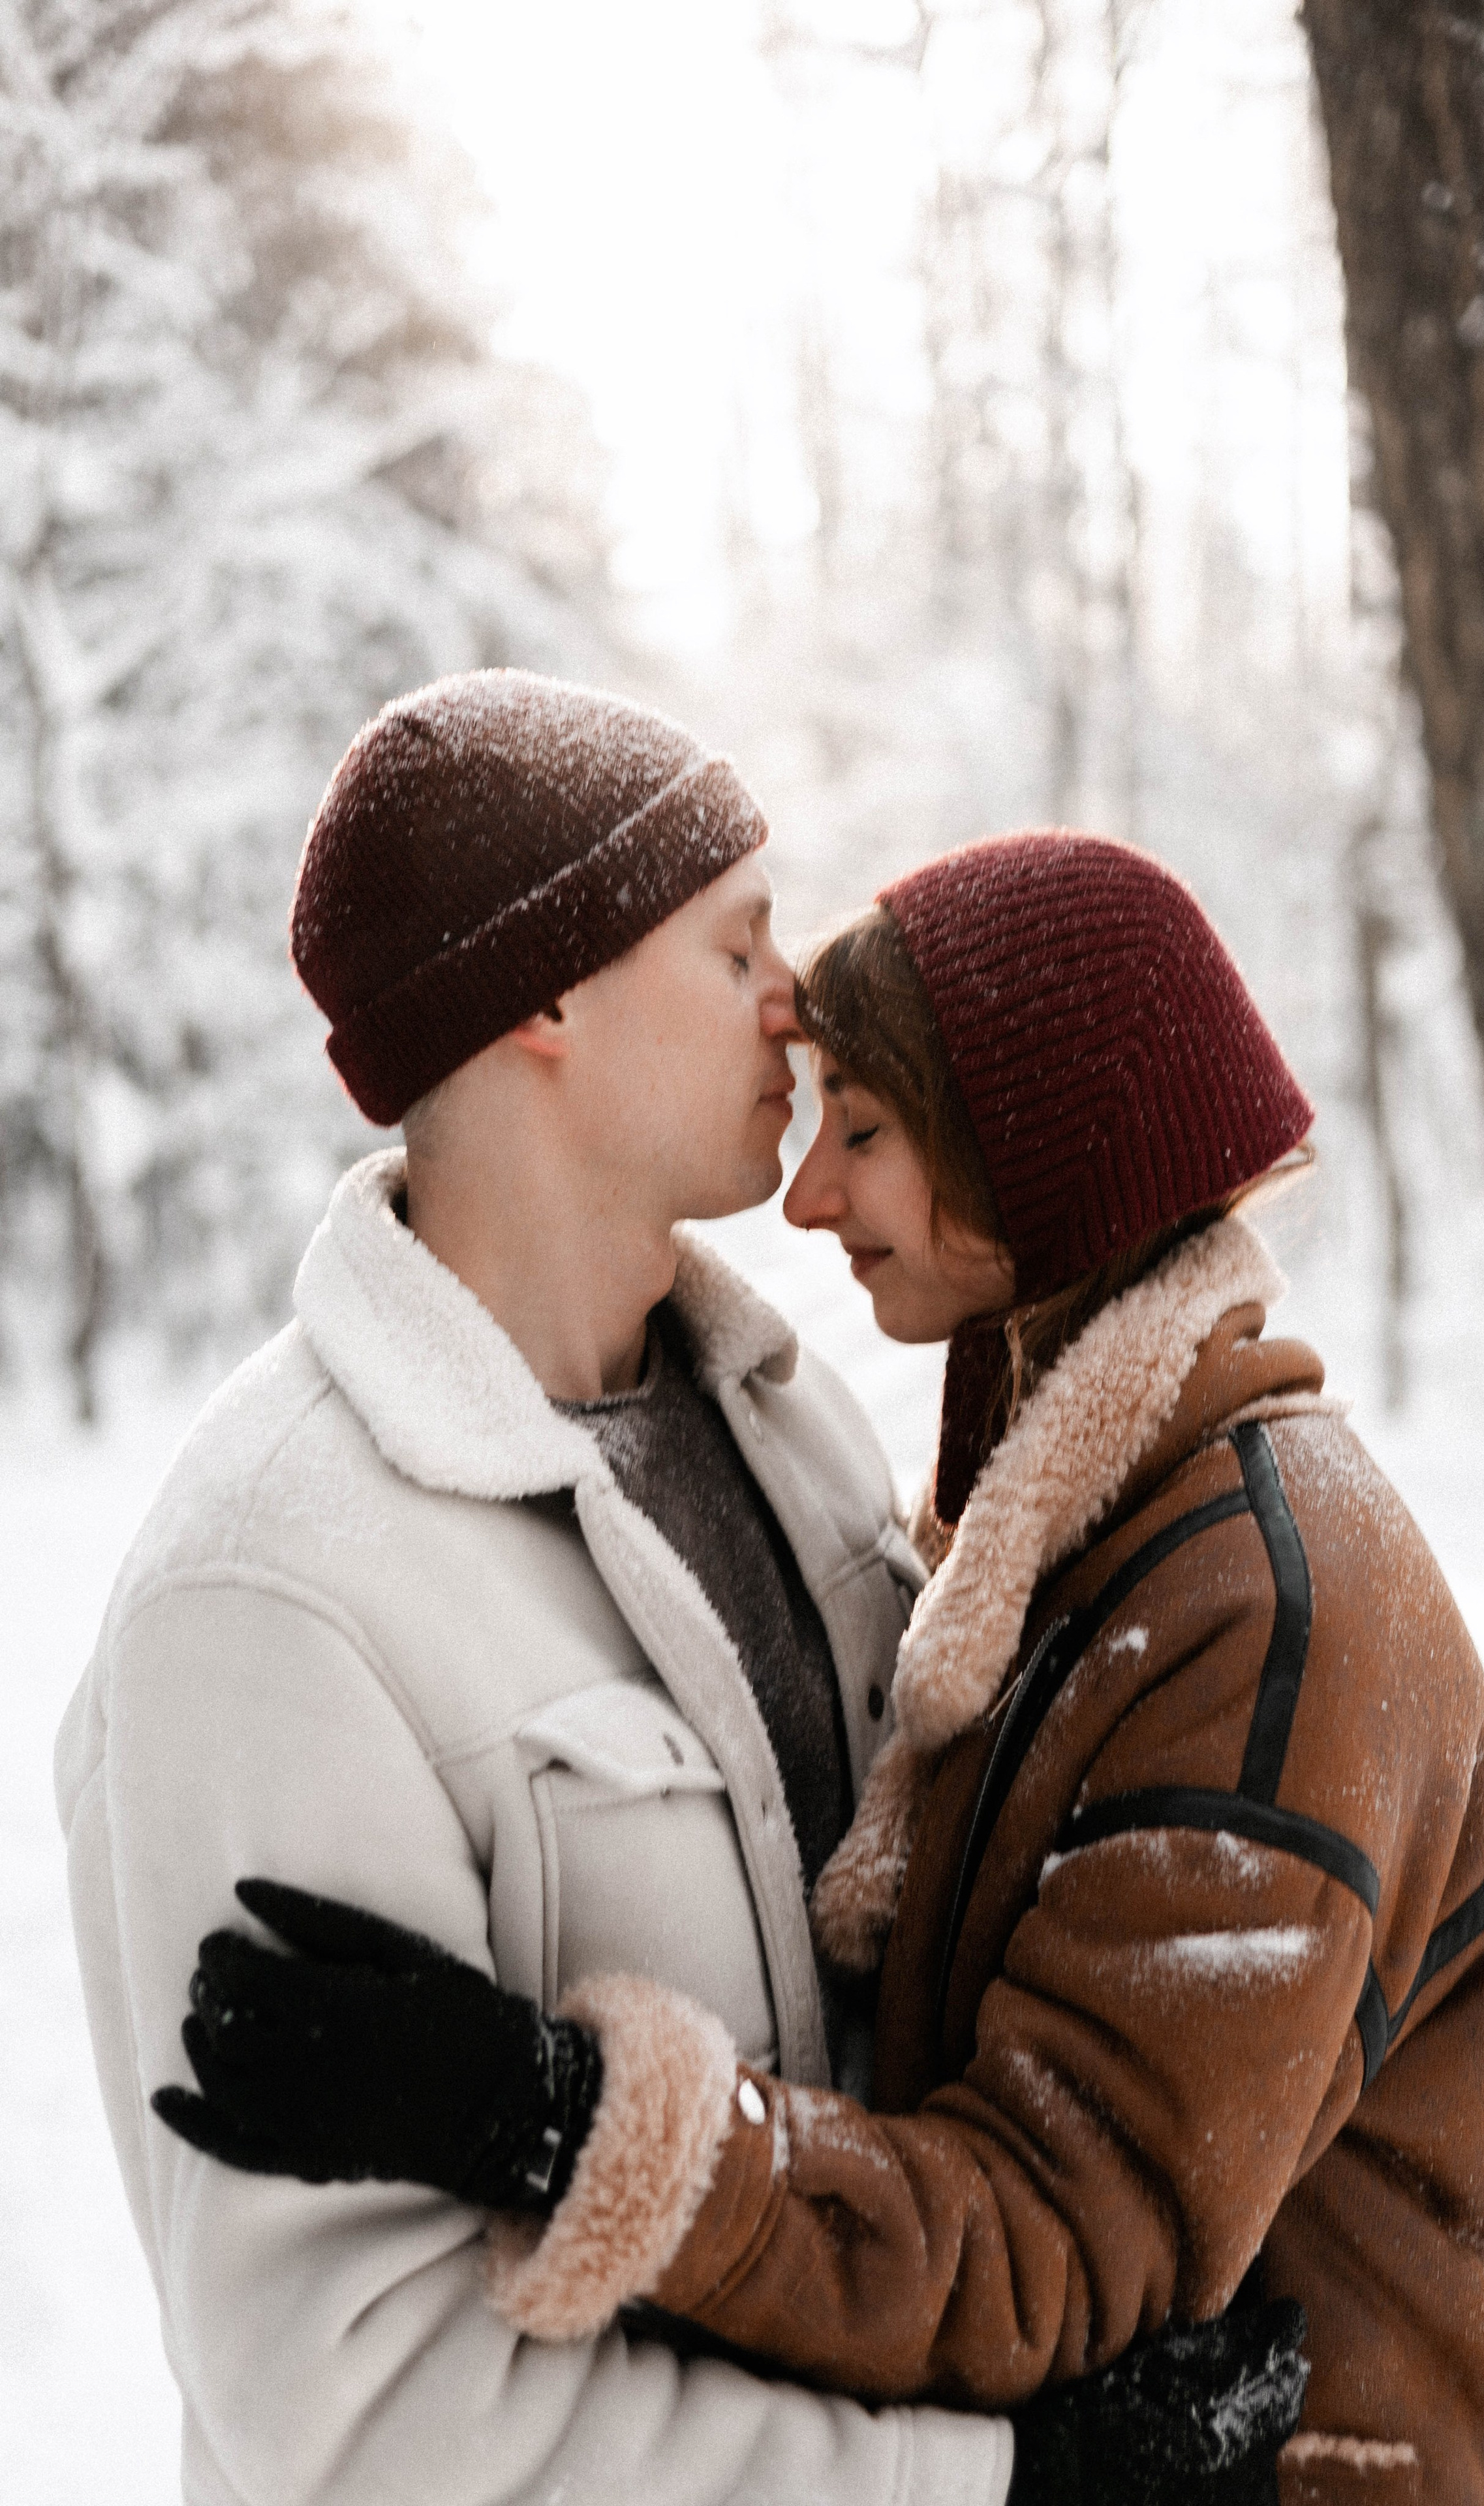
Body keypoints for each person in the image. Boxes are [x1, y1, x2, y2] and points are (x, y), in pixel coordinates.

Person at [159, 833, 1484, 2506]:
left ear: (1036, 1163)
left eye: (870, 1132)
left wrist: (556, 2117)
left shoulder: (1265, 1616)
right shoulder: (1060, 1530)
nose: (810, 1193)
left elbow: (1046, 2239)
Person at [57, 673, 1023, 2506]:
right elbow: (366, 2420)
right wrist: (988, 2482)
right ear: (549, 995)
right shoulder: (272, 1597)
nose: (794, 999)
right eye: (736, 944)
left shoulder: (783, 1429)